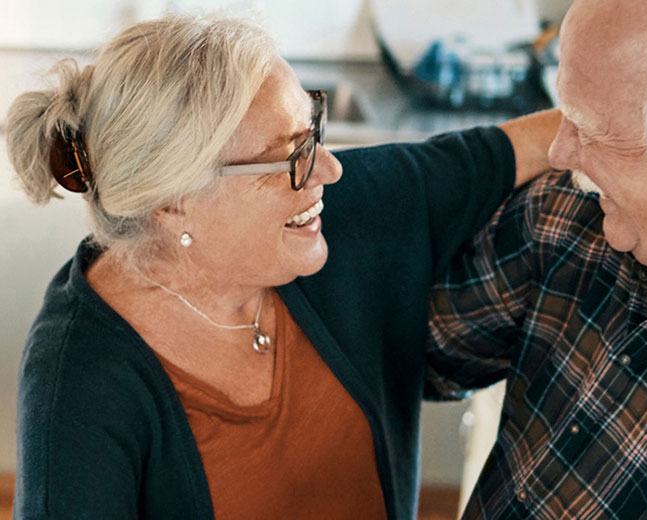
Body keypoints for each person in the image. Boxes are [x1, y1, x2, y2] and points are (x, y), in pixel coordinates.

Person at [7, 13, 560, 520]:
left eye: (311, 131)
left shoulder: (344, 214)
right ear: (173, 198)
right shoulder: (78, 382)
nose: (331, 170)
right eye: (290, 154)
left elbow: (527, 144)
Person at [428, 0, 647, 518]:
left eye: (592, 129)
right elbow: (404, 352)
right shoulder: (571, 215)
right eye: (563, 115)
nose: (559, 154)